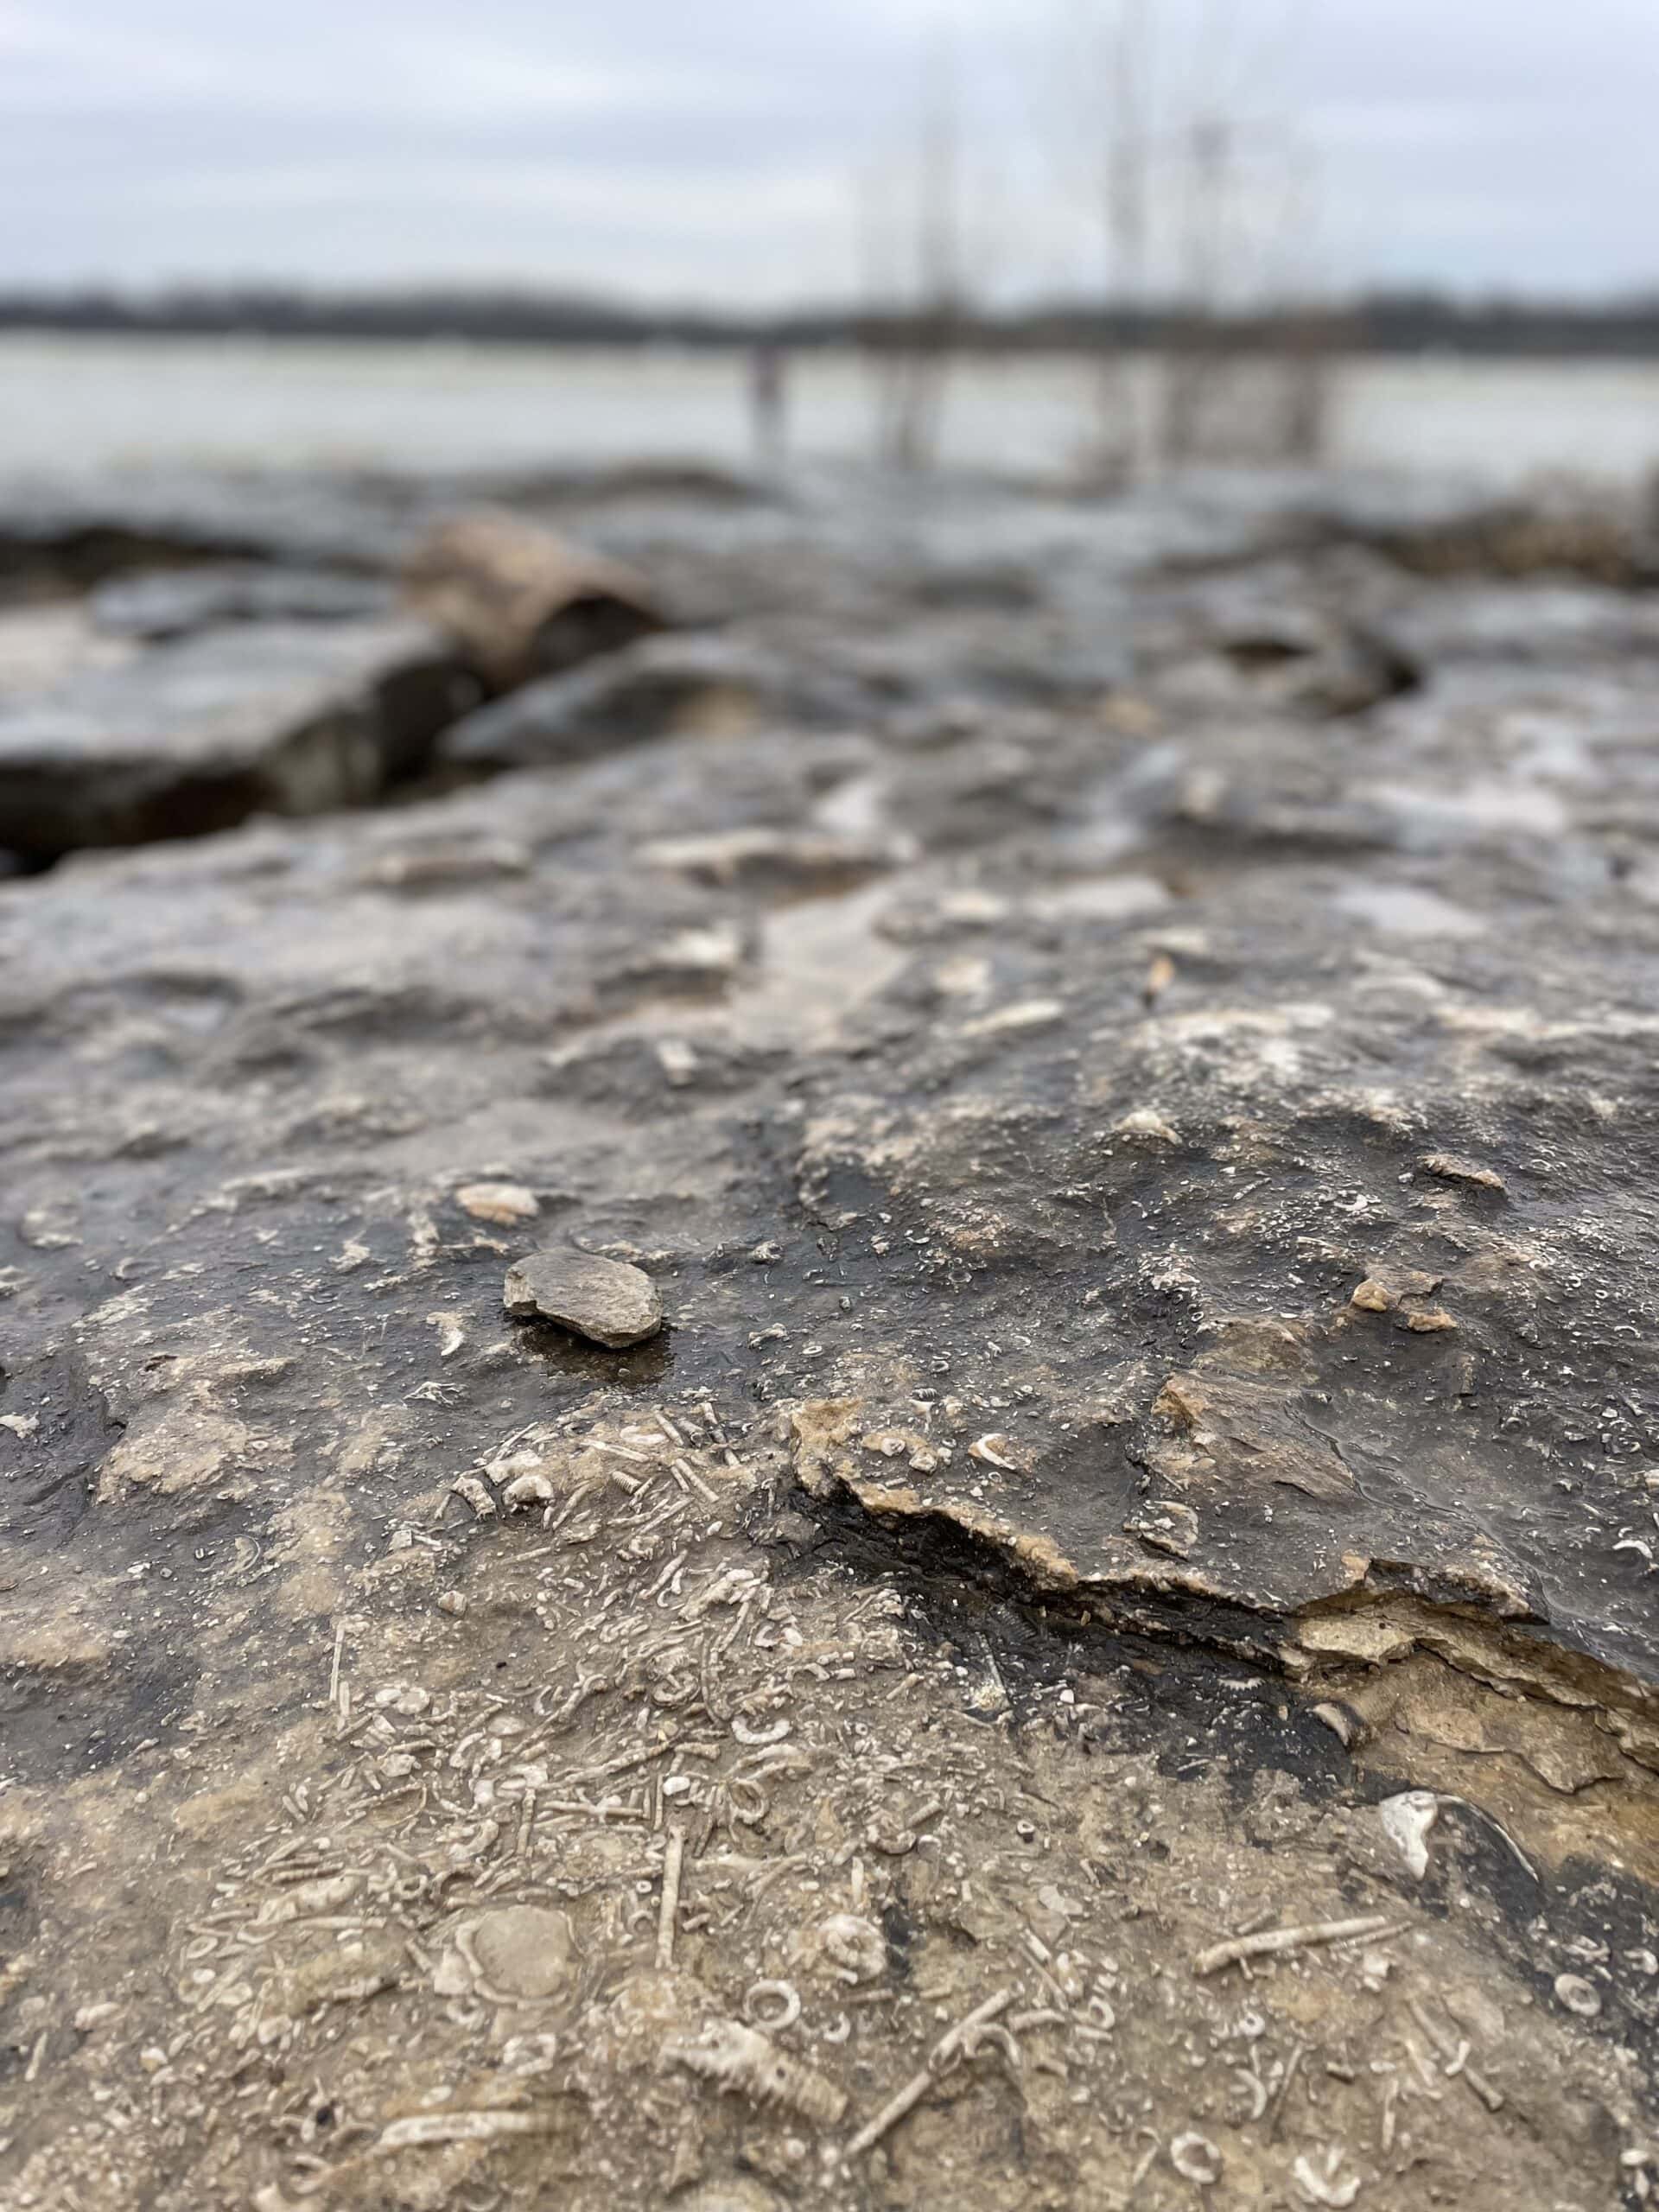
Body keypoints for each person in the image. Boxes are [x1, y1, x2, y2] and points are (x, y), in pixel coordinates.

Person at [748, 338, 788, 468]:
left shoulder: (775, 360)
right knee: (764, 420)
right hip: (764, 394)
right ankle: (764, 441)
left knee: (772, 420)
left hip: (771, 394)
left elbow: (779, 375)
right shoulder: (759, 361)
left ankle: (773, 442)